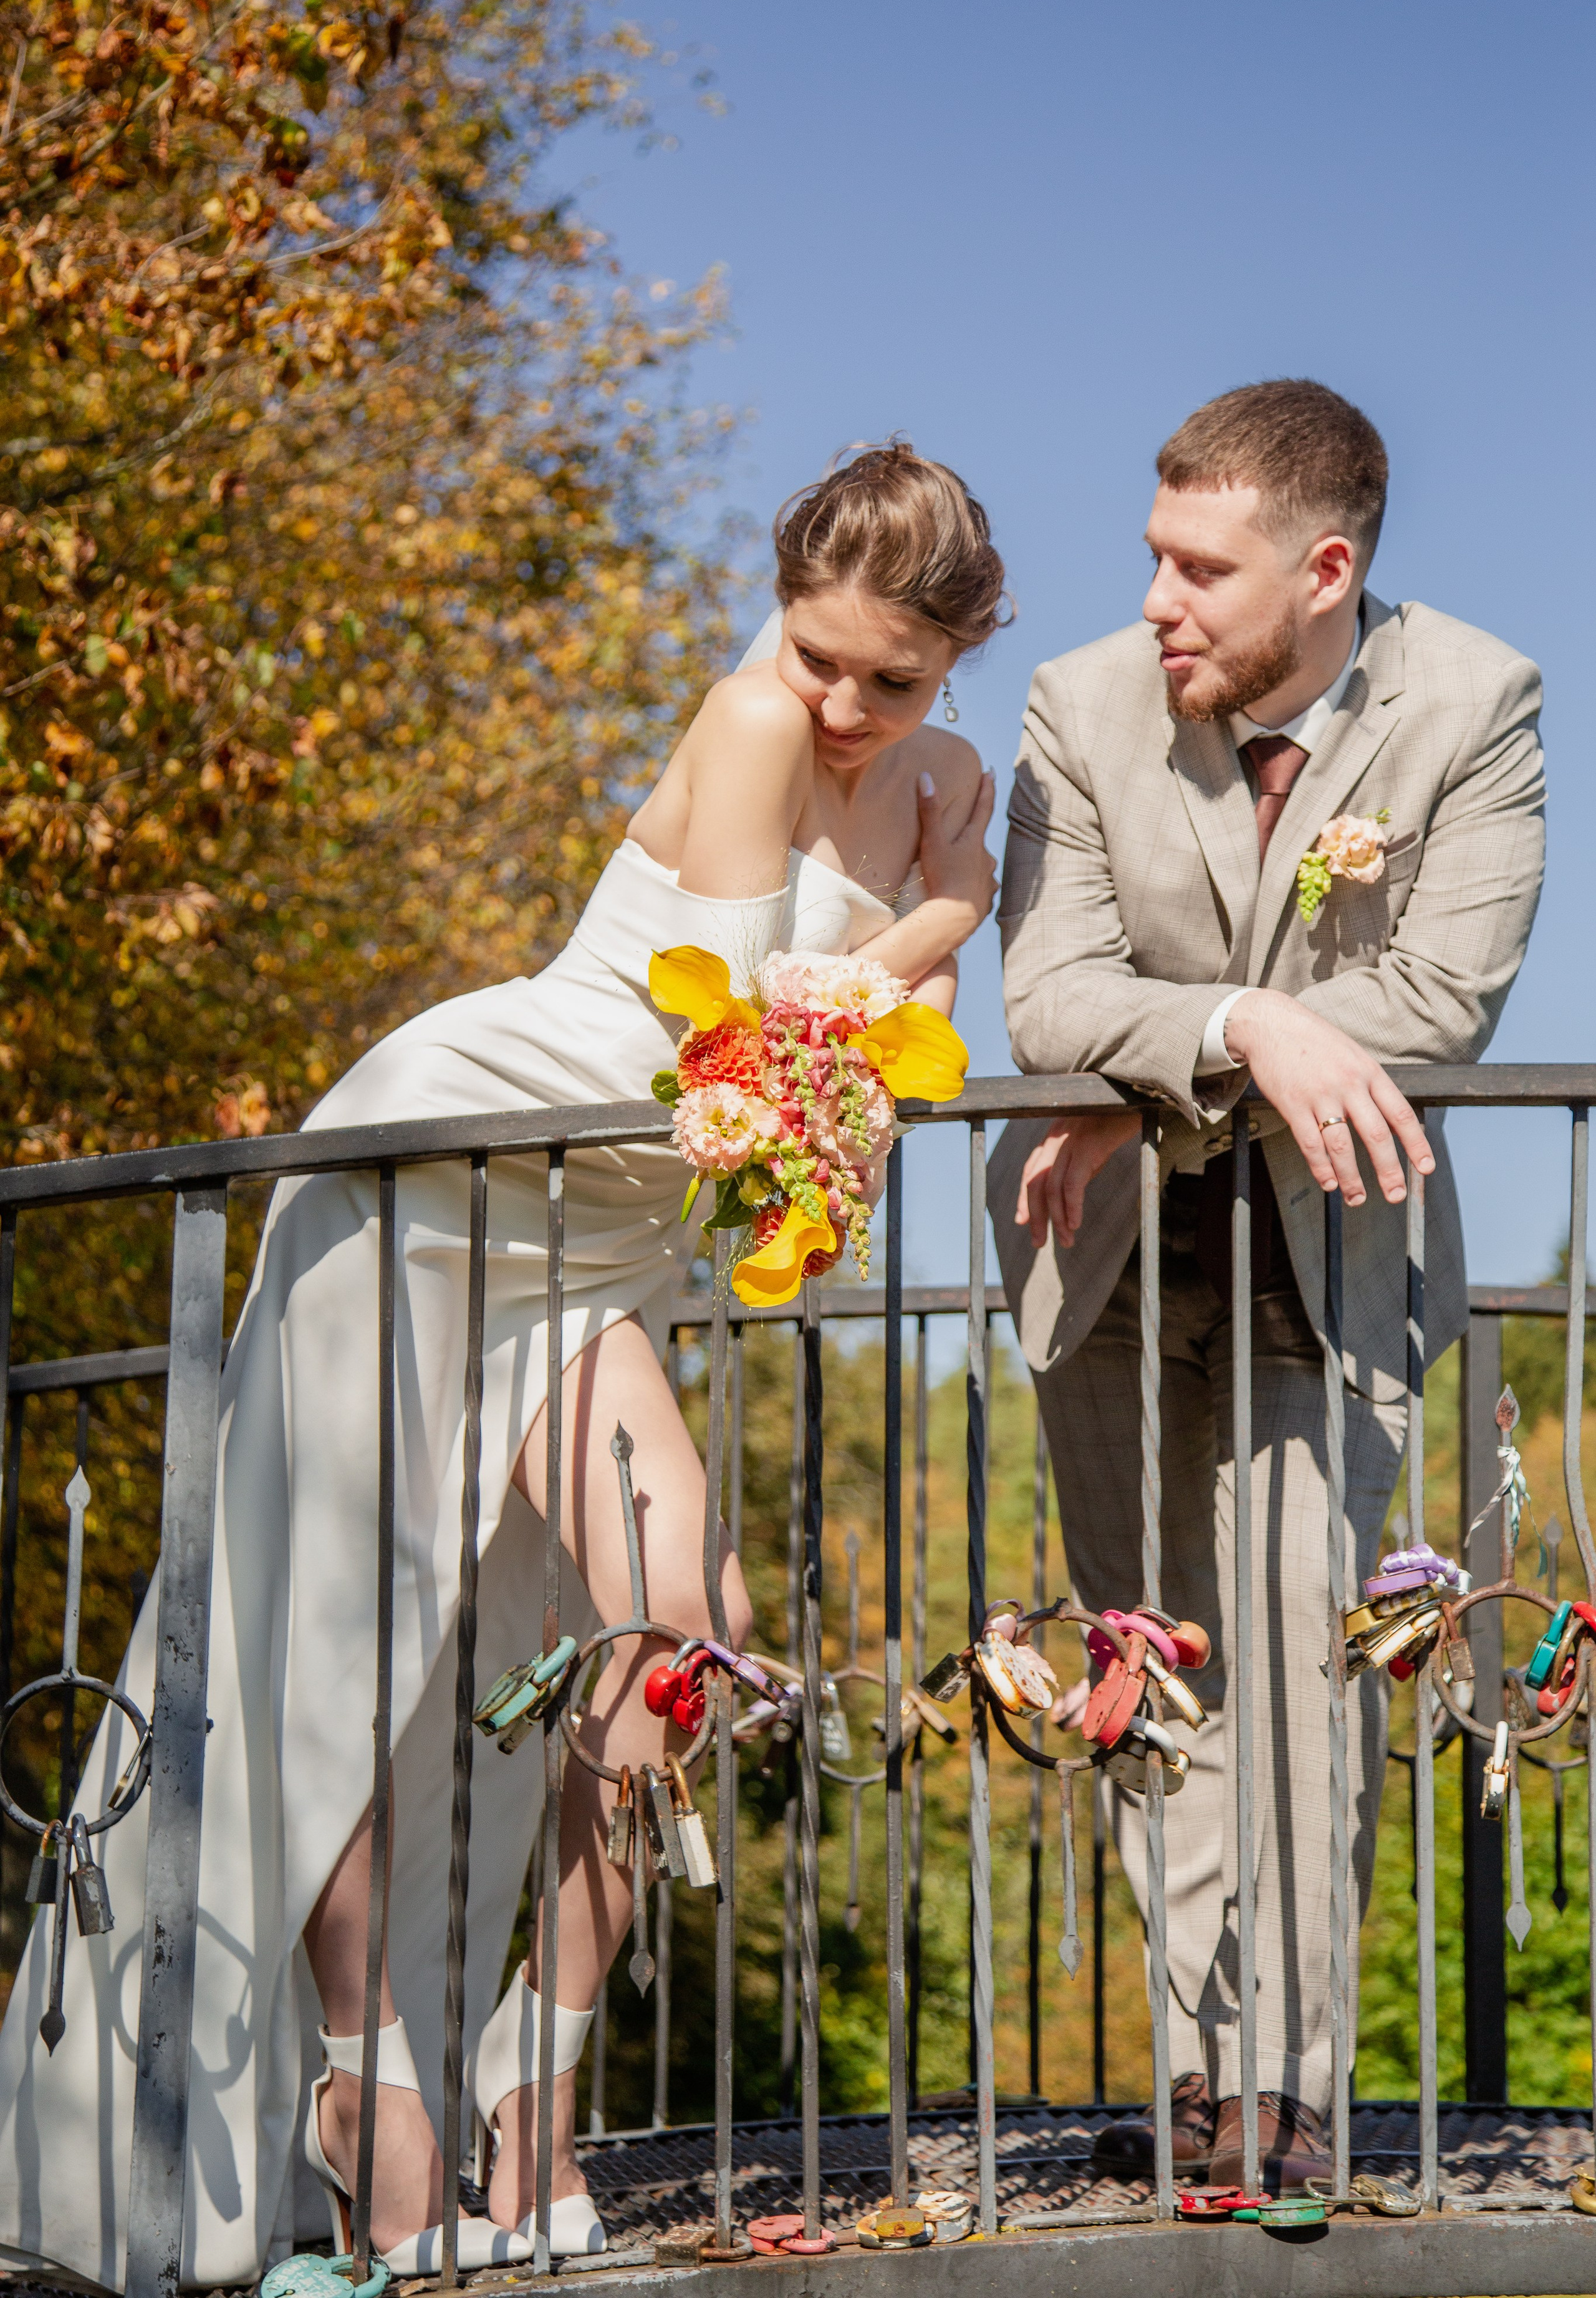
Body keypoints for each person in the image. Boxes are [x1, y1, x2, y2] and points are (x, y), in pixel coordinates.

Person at [0, 445, 1003, 2289]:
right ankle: (368, 2104)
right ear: (779, 612)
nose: (846, 708)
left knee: (672, 1629)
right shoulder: (754, 724)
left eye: (897, 680)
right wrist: (947, 916)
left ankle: (531, 2108)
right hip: (457, 1167)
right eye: (821, 655)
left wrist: (933, 944)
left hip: (606, 1237)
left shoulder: (950, 778)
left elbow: (873, 1079)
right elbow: (746, 1033)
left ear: (959, 660)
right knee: (342, 1652)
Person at [989, 381, 1544, 2191]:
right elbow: (1045, 998)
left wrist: (1159, 1067)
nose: (1156, 597)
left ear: (1324, 570)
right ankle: (1206, 2081)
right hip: (1108, 1270)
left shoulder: (1481, 703)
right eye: (1155, 553)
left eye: (1197, 567)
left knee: (1311, 1664)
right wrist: (1245, 1024)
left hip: (1339, 1259)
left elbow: (1445, 1002)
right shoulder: (1078, 708)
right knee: (1160, 1679)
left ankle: (1290, 2091)